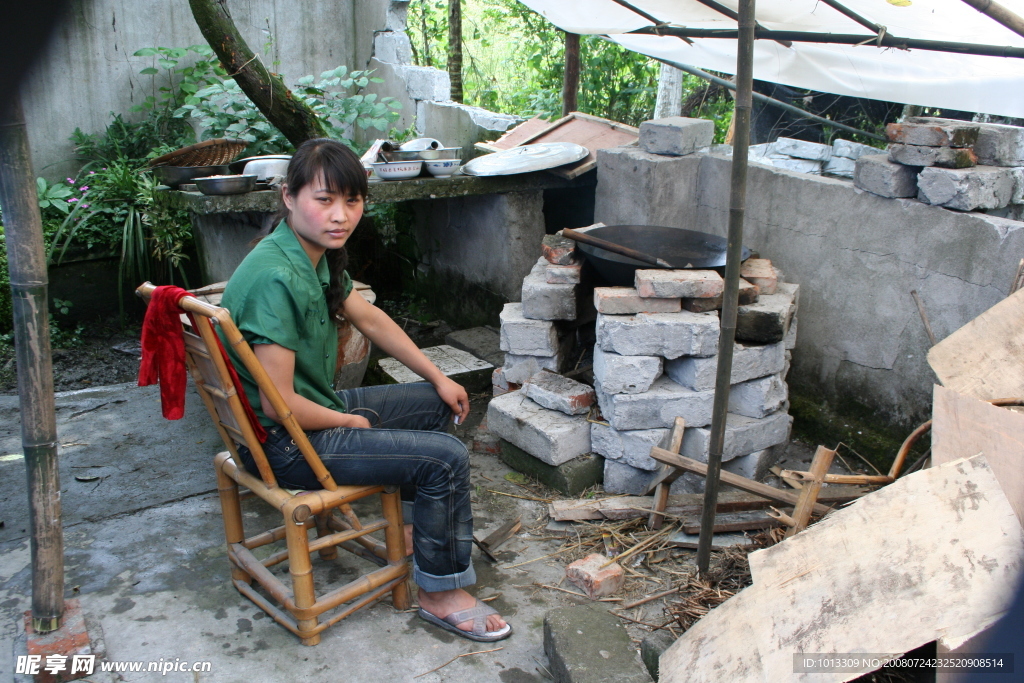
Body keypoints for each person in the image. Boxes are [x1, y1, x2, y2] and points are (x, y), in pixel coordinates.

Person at [219, 137, 510, 642]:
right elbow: (279, 403)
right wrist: (348, 422)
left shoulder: (315, 252)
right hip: (285, 441)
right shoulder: (275, 278)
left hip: (307, 414)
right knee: (444, 458)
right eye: (324, 199)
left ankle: (427, 536)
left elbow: (369, 318)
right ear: (288, 197)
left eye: (351, 201)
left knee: (429, 404)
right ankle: (440, 592)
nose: (340, 215)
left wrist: (438, 377)